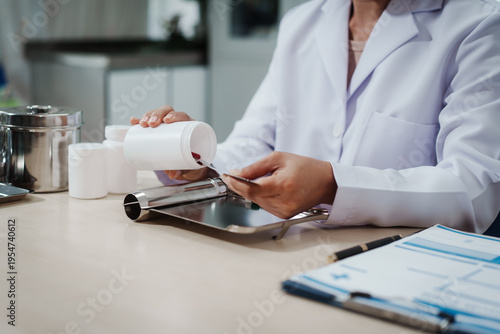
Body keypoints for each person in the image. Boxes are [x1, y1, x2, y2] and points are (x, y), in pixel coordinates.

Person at [131, 0, 500, 234]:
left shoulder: (478, 25)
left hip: (399, 266)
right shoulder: (301, 23)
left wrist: (332, 185)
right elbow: (255, 142)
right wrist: (198, 158)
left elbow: (473, 190)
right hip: (290, 250)